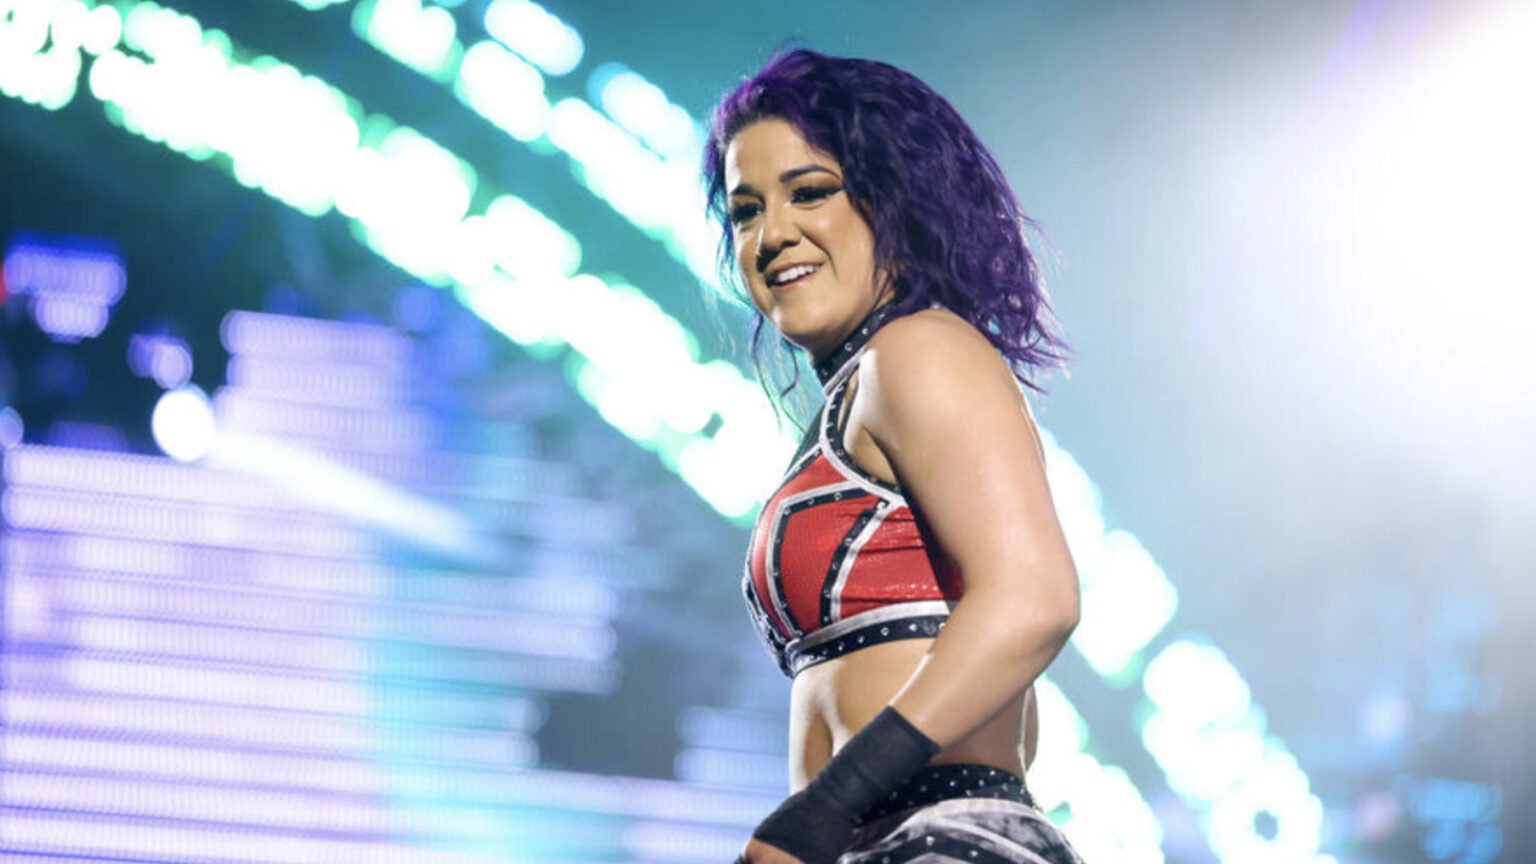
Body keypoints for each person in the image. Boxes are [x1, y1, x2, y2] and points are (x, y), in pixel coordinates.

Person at [702, 50, 1088, 864]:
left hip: (947, 837)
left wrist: (828, 803)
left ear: (894, 197)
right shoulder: (858, 390)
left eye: (810, 192)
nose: (772, 235)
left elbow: (1034, 597)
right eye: (745, 211)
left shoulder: (917, 350)